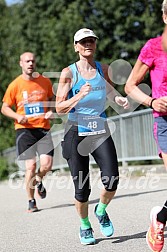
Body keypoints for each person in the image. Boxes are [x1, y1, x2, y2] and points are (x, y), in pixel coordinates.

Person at [56, 28, 129, 245]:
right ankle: (85, 225)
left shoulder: (103, 69)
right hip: (76, 132)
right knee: (82, 187)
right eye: (83, 41)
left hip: (99, 129)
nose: (88, 44)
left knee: (112, 179)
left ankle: (101, 209)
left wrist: (119, 100)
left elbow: (109, 92)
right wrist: (78, 95)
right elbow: (59, 107)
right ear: (75, 46)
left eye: (91, 40)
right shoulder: (68, 73)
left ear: (95, 44)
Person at [125, 1, 167, 251]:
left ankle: (160, 217)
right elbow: (130, 85)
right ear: (165, 17)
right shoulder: (153, 48)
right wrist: (152, 101)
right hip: (164, 121)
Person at [1, 52, 54, 212]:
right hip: (24, 130)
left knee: (46, 165)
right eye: (27, 61)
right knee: (30, 166)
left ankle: (38, 180)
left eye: (32, 61)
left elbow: (52, 98)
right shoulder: (15, 85)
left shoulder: (44, 81)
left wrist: (51, 110)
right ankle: (31, 200)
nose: (30, 63)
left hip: (43, 128)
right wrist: (17, 116)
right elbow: (4, 107)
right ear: (21, 63)